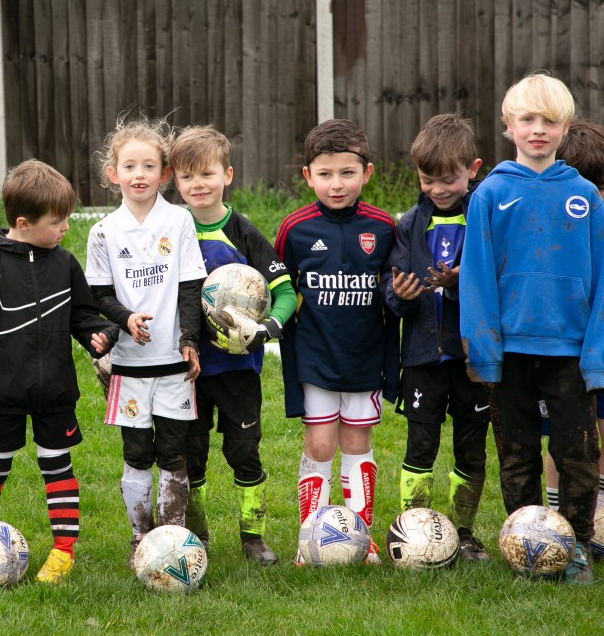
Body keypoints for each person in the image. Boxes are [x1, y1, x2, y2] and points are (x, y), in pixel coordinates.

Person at [0, 159, 117, 584]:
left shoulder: (65, 264)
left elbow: (82, 314)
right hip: (2, 395)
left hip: (54, 391)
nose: (65, 229)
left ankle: (63, 551)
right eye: (57, 222)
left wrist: (99, 334)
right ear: (23, 221)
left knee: (57, 466)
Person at [460, 74, 604, 584]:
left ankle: (579, 546)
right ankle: (524, 544)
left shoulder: (586, 196)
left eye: (549, 121)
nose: (538, 129)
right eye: (528, 120)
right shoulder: (491, 194)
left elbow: (603, 279)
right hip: (509, 351)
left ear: (565, 128)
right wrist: (483, 350)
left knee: (579, 455)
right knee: (517, 455)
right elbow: (476, 279)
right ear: (509, 127)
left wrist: (597, 352)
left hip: (570, 353)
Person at [168, 126, 296, 564]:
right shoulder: (172, 231)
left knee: (244, 451)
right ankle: (196, 533)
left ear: (228, 174)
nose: (197, 185)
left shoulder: (242, 233)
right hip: (188, 369)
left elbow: (285, 291)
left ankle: (252, 536)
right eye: (187, 177)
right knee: (192, 455)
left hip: (238, 369)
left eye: (206, 173)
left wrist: (268, 329)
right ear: (176, 182)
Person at [273, 119, 398, 565]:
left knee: (357, 445)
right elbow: (280, 287)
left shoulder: (384, 227)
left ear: (367, 172)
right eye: (325, 174)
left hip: (366, 356)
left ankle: (359, 539)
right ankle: (311, 538)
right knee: (321, 445)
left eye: (348, 172)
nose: (337, 183)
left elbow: (391, 290)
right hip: (316, 355)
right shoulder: (295, 229)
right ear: (307, 176)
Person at [85, 115, 208, 568]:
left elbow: (191, 285)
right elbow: (98, 294)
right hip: (130, 365)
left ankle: (172, 539)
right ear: (112, 173)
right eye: (129, 166)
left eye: (149, 166)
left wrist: (190, 338)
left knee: (173, 452)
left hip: (173, 364)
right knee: (136, 452)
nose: (139, 175)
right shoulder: (103, 232)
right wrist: (126, 318)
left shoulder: (178, 221)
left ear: (165, 173)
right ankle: (141, 540)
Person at [383, 113, 490, 560]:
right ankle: (415, 528)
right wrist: (401, 295)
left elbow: (497, 280)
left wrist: (461, 283)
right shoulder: (409, 223)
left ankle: (463, 532)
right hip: (424, 358)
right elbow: (393, 291)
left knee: (471, 445)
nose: (438, 189)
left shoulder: (486, 218)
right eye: (428, 180)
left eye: (448, 179)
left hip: (475, 357)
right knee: (420, 444)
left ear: (473, 169)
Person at [541, 118, 604, 516]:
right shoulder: (546, 227)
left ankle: (596, 516)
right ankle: (551, 520)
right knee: (558, 437)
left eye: (601, 186)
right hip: (561, 349)